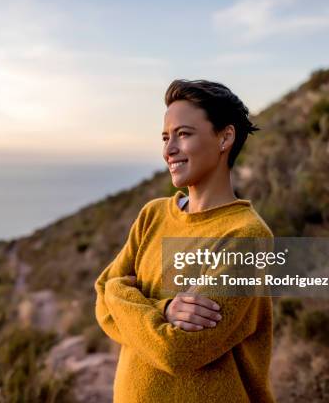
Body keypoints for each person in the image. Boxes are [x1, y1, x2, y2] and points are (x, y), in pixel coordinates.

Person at [94, 79, 275, 402]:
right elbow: (102, 298)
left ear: (224, 138)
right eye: (165, 138)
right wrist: (162, 309)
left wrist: (120, 293)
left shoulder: (246, 237)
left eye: (184, 134)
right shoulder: (153, 215)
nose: (169, 150)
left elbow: (176, 352)